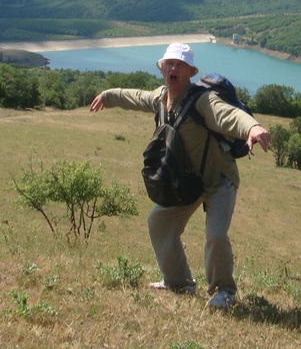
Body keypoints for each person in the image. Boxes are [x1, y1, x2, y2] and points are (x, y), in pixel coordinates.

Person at [89, 42, 270, 310]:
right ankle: (178, 282)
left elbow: (228, 115)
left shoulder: (203, 101)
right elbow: (134, 96)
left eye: (180, 65)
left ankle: (224, 291)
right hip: (188, 181)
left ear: (190, 73)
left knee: (216, 236)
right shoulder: (160, 98)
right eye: (169, 64)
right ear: (162, 69)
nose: (173, 69)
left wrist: (252, 127)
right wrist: (108, 95)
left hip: (219, 180)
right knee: (158, 223)